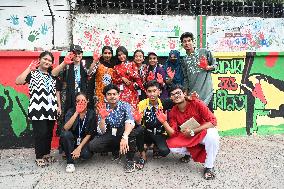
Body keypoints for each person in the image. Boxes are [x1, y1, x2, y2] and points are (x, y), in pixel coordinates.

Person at [156, 84, 220, 180]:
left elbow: (213, 122)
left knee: (213, 135)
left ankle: (209, 167)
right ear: (171, 98)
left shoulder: (197, 103)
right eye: (173, 94)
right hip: (188, 136)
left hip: (202, 133)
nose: (176, 96)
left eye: (178, 93)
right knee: (171, 146)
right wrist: (164, 122)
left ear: (184, 93)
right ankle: (190, 153)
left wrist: (194, 130)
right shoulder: (173, 111)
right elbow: (173, 133)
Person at [15, 51, 58, 167]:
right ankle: (39, 156)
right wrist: (29, 68)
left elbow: (56, 92)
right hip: (37, 108)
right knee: (41, 133)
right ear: (40, 59)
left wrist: (58, 106)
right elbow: (18, 81)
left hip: (51, 108)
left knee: (48, 133)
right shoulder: (32, 73)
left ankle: (46, 154)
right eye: (45, 59)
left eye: (50, 60)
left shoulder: (52, 75)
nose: (47, 62)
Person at [88, 84, 142, 173]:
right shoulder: (103, 107)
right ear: (105, 96)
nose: (112, 96)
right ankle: (115, 150)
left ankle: (130, 160)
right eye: (109, 94)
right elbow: (101, 131)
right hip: (110, 131)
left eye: (114, 94)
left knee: (131, 132)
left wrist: (124, 137)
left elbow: (130, 121)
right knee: (93, 145)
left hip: (123, 130)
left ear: (118, 95)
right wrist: (102, 118)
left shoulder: (125, 105)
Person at [134, 80, 173, 169]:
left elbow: (178, 99)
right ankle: (143, 156)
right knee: (139, 130)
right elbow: (138, 123)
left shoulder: (165, 102)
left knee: (164, 152)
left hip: (160, 133)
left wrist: (188, 98)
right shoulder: (142, 104)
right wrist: (138, 121)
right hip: (147, 132)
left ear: (159, 91)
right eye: (149, 91)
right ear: (146, 92)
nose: (152, 94)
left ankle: (154, 146)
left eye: (154, 91)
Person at [180, 32, 218, 112]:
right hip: (193, 94)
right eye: (184, 41)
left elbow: (216, 65)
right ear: (182, 44)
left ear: (193, 42)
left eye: (189, 40)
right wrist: (185, 92)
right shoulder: (184, 60)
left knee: (210, 119)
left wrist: (208, 67)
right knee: (196, 119)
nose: (187, 43)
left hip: (207, 92)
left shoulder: (204, 52)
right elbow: (186, 78)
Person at [60, 92, 97, 173]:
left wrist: (79, 148)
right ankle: (70, 162)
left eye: (83, 100)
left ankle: (73, 152)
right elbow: (66, 128)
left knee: (85, 155)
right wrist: (76, 112)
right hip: (72, 140)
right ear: (75, 102)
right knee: (66, 134)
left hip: (83, 141)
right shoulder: (71, 111)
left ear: (87, 101)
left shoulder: (91, 113)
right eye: (78, 101)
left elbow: (89, 134)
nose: (81, 103)